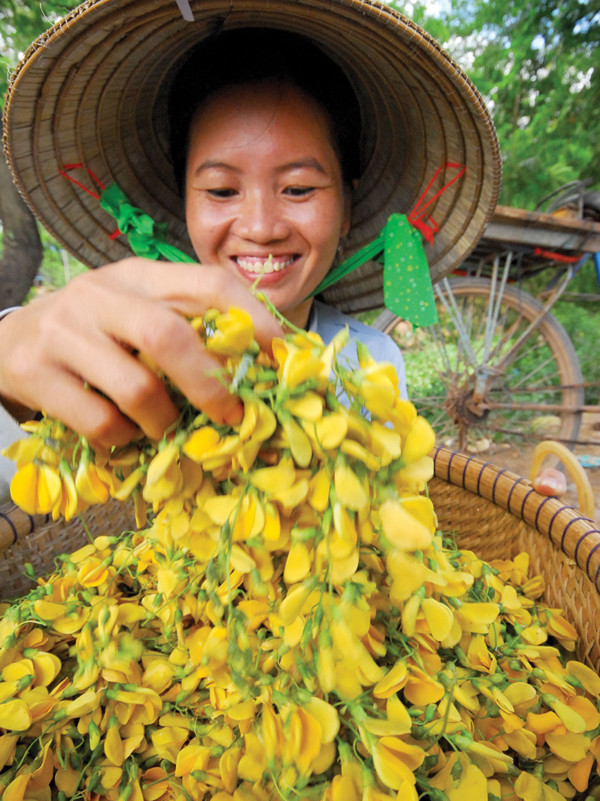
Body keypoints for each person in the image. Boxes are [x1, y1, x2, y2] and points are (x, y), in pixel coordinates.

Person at [0, 0, 502, 502]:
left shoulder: (374, 362)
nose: (261, 228)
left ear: (347, 210)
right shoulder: (135, 350)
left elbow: (393, 500)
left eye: (298, 189)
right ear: (185, 205)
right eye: (222, 190)